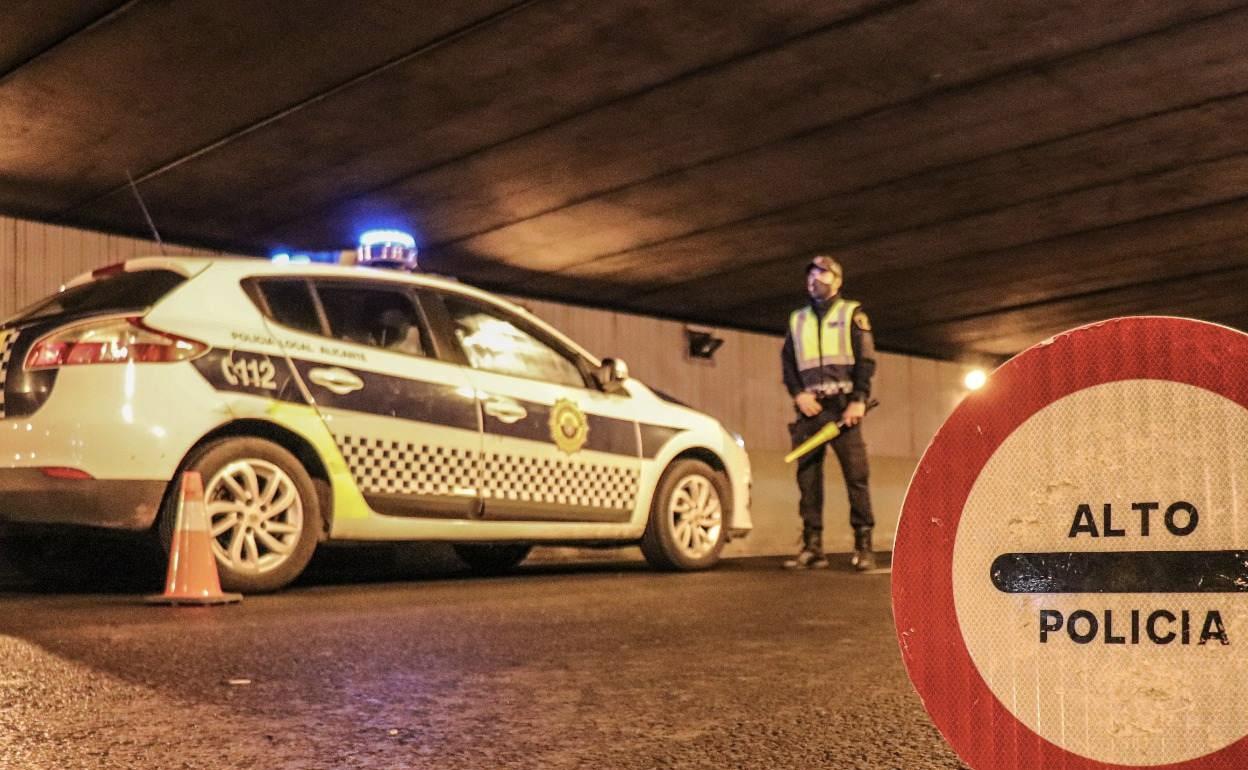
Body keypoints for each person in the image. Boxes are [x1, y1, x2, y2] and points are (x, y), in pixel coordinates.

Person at [781, 255, 877, 571]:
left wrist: (859, 399)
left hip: (843, 407)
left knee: (856, 477)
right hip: (810, 410)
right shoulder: (797, 320)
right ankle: (812, 546)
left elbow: (865, 360)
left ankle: (864, 546)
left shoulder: (852, 314)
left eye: (822, 274)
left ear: (837, 280)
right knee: (807, 479)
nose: (814, 279)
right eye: (810, 274)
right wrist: (799, 394)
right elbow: (789, 364)